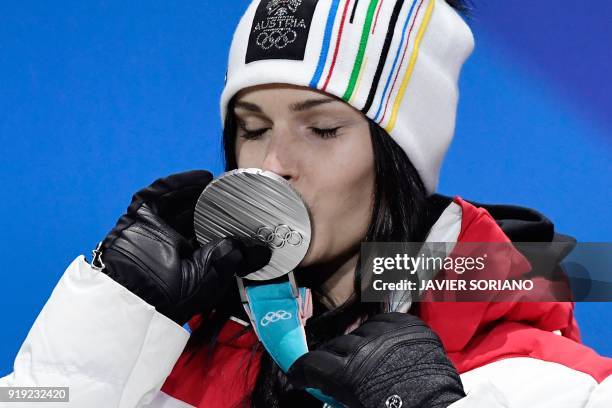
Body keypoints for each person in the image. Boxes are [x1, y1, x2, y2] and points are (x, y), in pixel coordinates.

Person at [1, 0, 611, 407]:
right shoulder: (167, 344)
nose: (272, 164)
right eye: (253, 126)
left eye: (321, 130)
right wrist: (112, 317)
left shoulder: (564, 385)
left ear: (399, 158)